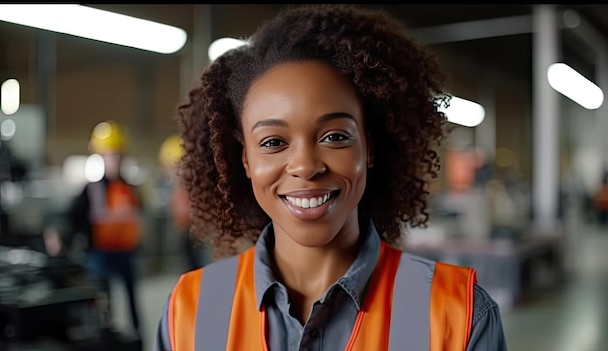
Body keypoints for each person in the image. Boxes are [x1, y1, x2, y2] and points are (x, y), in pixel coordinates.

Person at [153, 4, 507, 351]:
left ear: (368, 148)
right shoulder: (191, 310)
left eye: (335, 137)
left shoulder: (458, 314)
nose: (306, 166)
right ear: (244, 160)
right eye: (273, 142)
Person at [55, 120, 144, 342]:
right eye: (110, 154)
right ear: (101, 157)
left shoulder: (130, 188)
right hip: (101, 255)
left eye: (117, 154)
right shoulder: (92, 189)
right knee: (104, 304)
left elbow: (136, 217)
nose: (114, 159)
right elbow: (70, 217)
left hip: (126, 253)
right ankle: (109, 339)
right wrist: (58, 235)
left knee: (133, 300)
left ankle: (138, 338)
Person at [158, 134, 209, 272]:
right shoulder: (175, 191)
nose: (169, 172)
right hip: (185, 242)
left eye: (171, 167)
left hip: (199, 242)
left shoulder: (198, 191)